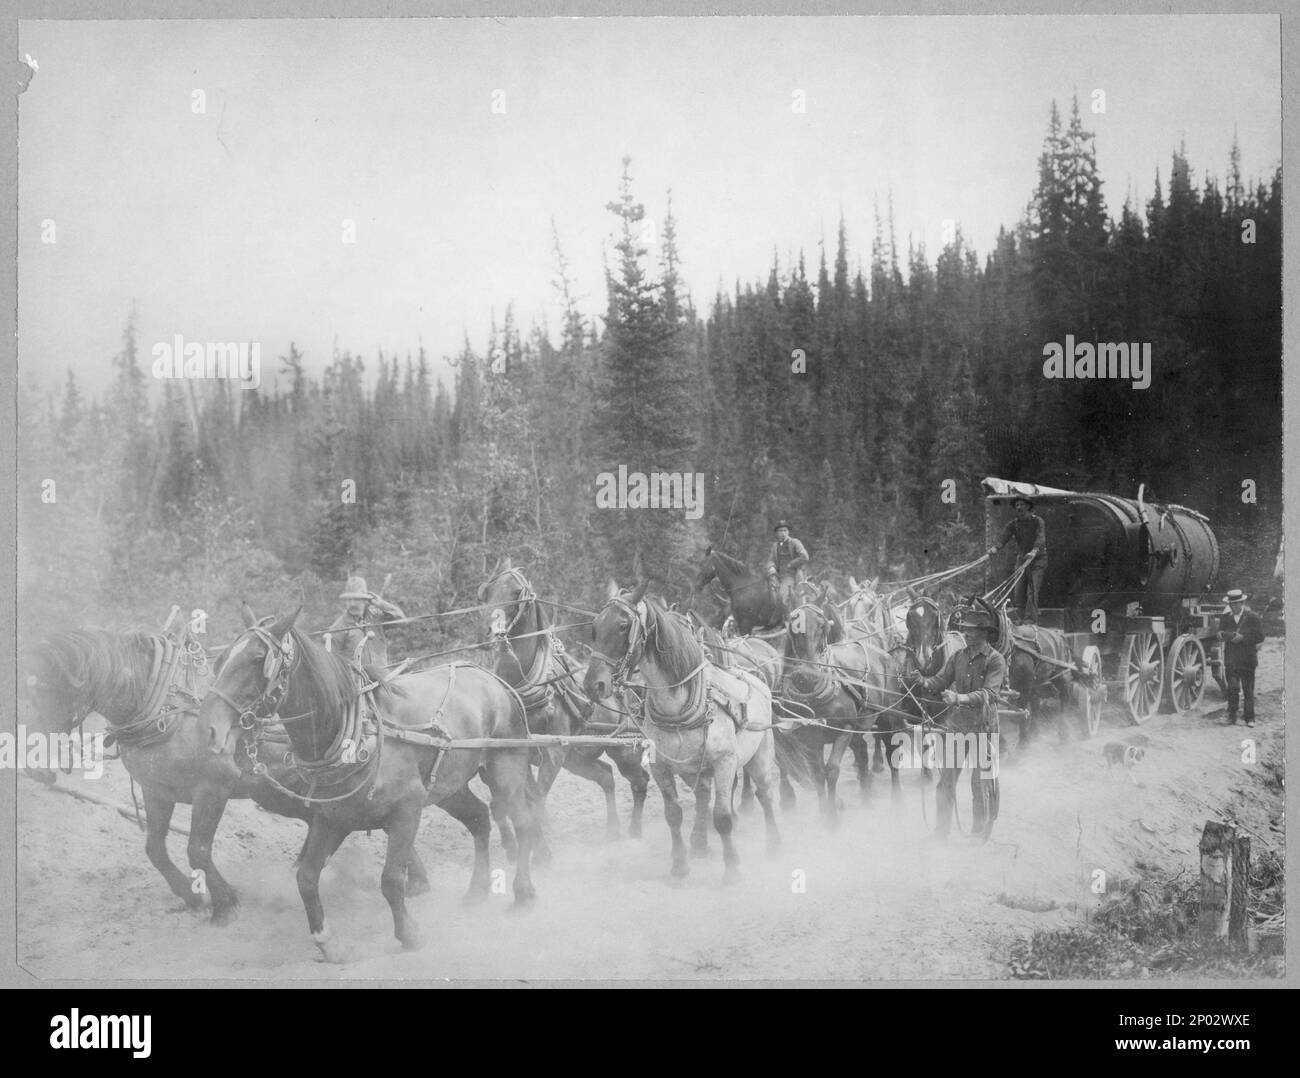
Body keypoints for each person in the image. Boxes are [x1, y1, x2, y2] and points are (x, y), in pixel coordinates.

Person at [902, 604, 1006, 842]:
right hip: (957, 726)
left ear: (984, 634)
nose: (965, 634)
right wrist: (923, 681)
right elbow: (940, 681)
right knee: (945, 781)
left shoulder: (995, 660)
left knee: (979, 784)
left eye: (971, 630)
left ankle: (979, 833)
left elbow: (989, 694)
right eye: (965, 629)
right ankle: (941, 832)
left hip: (983, 728)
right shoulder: (957, 657)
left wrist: (959, 697)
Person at [325, 574, 406, 669]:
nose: (352, 604)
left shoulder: (376, 617)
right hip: (357, 681)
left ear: (365, 600)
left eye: (356, 599)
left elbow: (402, 621)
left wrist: (381, 604)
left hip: (383, 677)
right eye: (349, 600)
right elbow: (330, 661)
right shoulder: (338, 627)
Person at [989, 496, 1047, 624]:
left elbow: (1041, 537)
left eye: (1022, 505)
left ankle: (1030, 621)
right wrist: (995, 548)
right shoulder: (1013, 524)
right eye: (1017, 505)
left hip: (1038, 560)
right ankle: (1019, 619)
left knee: (1032, 591)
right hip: (1022, 560)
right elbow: (1004, 537)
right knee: (1018, 591)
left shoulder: (1038, 521)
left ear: (1028, 507)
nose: (1019, 507)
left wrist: (1034, 551)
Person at [1217, 588, 1264, 727]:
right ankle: (1231, 717)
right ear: (1229, 604)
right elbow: (1220, 632)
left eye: (1237, 603)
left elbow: (1260, 637)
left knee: (1248, 690)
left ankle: (1250, 718)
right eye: (1232, 604)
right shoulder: (1226, 618)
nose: (1234, 606)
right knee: (1232, 689)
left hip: (1248, 660)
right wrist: (1220, 634)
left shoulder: (1252, 617)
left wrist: (1243, 638)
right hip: (1231, 659)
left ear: (1242, 603)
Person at [765, 521, 809, 610]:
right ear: (777, 533)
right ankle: (774, 613)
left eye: (785, 530)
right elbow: (770, 560)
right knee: (765, 592)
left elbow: (804, 556)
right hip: (777, 575)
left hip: (791, 575)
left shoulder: (795, 542)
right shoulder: (775, 546)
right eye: (780, 531)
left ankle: (786, 618)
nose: (783, 533)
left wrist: (791, 564)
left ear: (788, 532)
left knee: (782, 595)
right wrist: (771, 567)